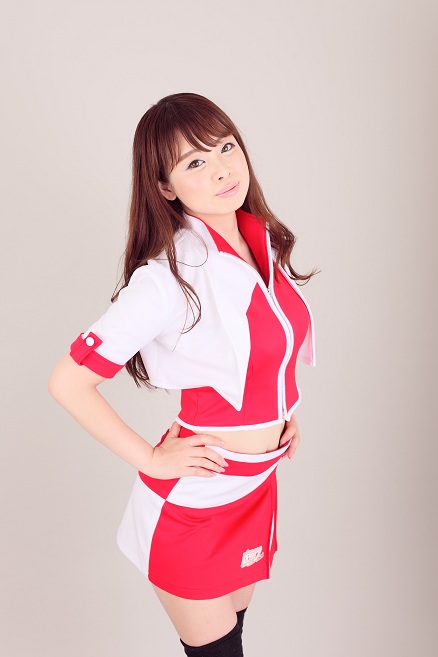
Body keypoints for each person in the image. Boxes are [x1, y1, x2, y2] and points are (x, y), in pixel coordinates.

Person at [48, 92, 316, 657]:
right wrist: (150, 458)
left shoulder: (262, 244)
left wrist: (282, 416)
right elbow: (68, 381)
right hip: (195, 501)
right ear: (165, 186)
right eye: (195, 161)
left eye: (226, 147)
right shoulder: (168, 275)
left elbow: (264, 354)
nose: (221, 169)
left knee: (234, 639)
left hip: (256, 484)